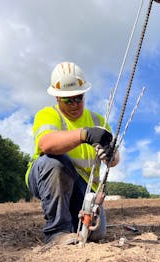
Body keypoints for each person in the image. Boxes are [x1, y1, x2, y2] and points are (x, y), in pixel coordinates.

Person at [26, 61, 119, 245]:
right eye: (68, 100)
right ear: (57, 98)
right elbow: (46, 144)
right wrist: (84, 134)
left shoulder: (98, 120)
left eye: (79, 97)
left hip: (84, 189)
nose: (75, 104)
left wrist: (110, 154)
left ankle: (71, 224)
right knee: (55, 163)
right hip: (48, 175)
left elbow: (115, 160)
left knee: (95, 233)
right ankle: (57, 232)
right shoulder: (47, 114)